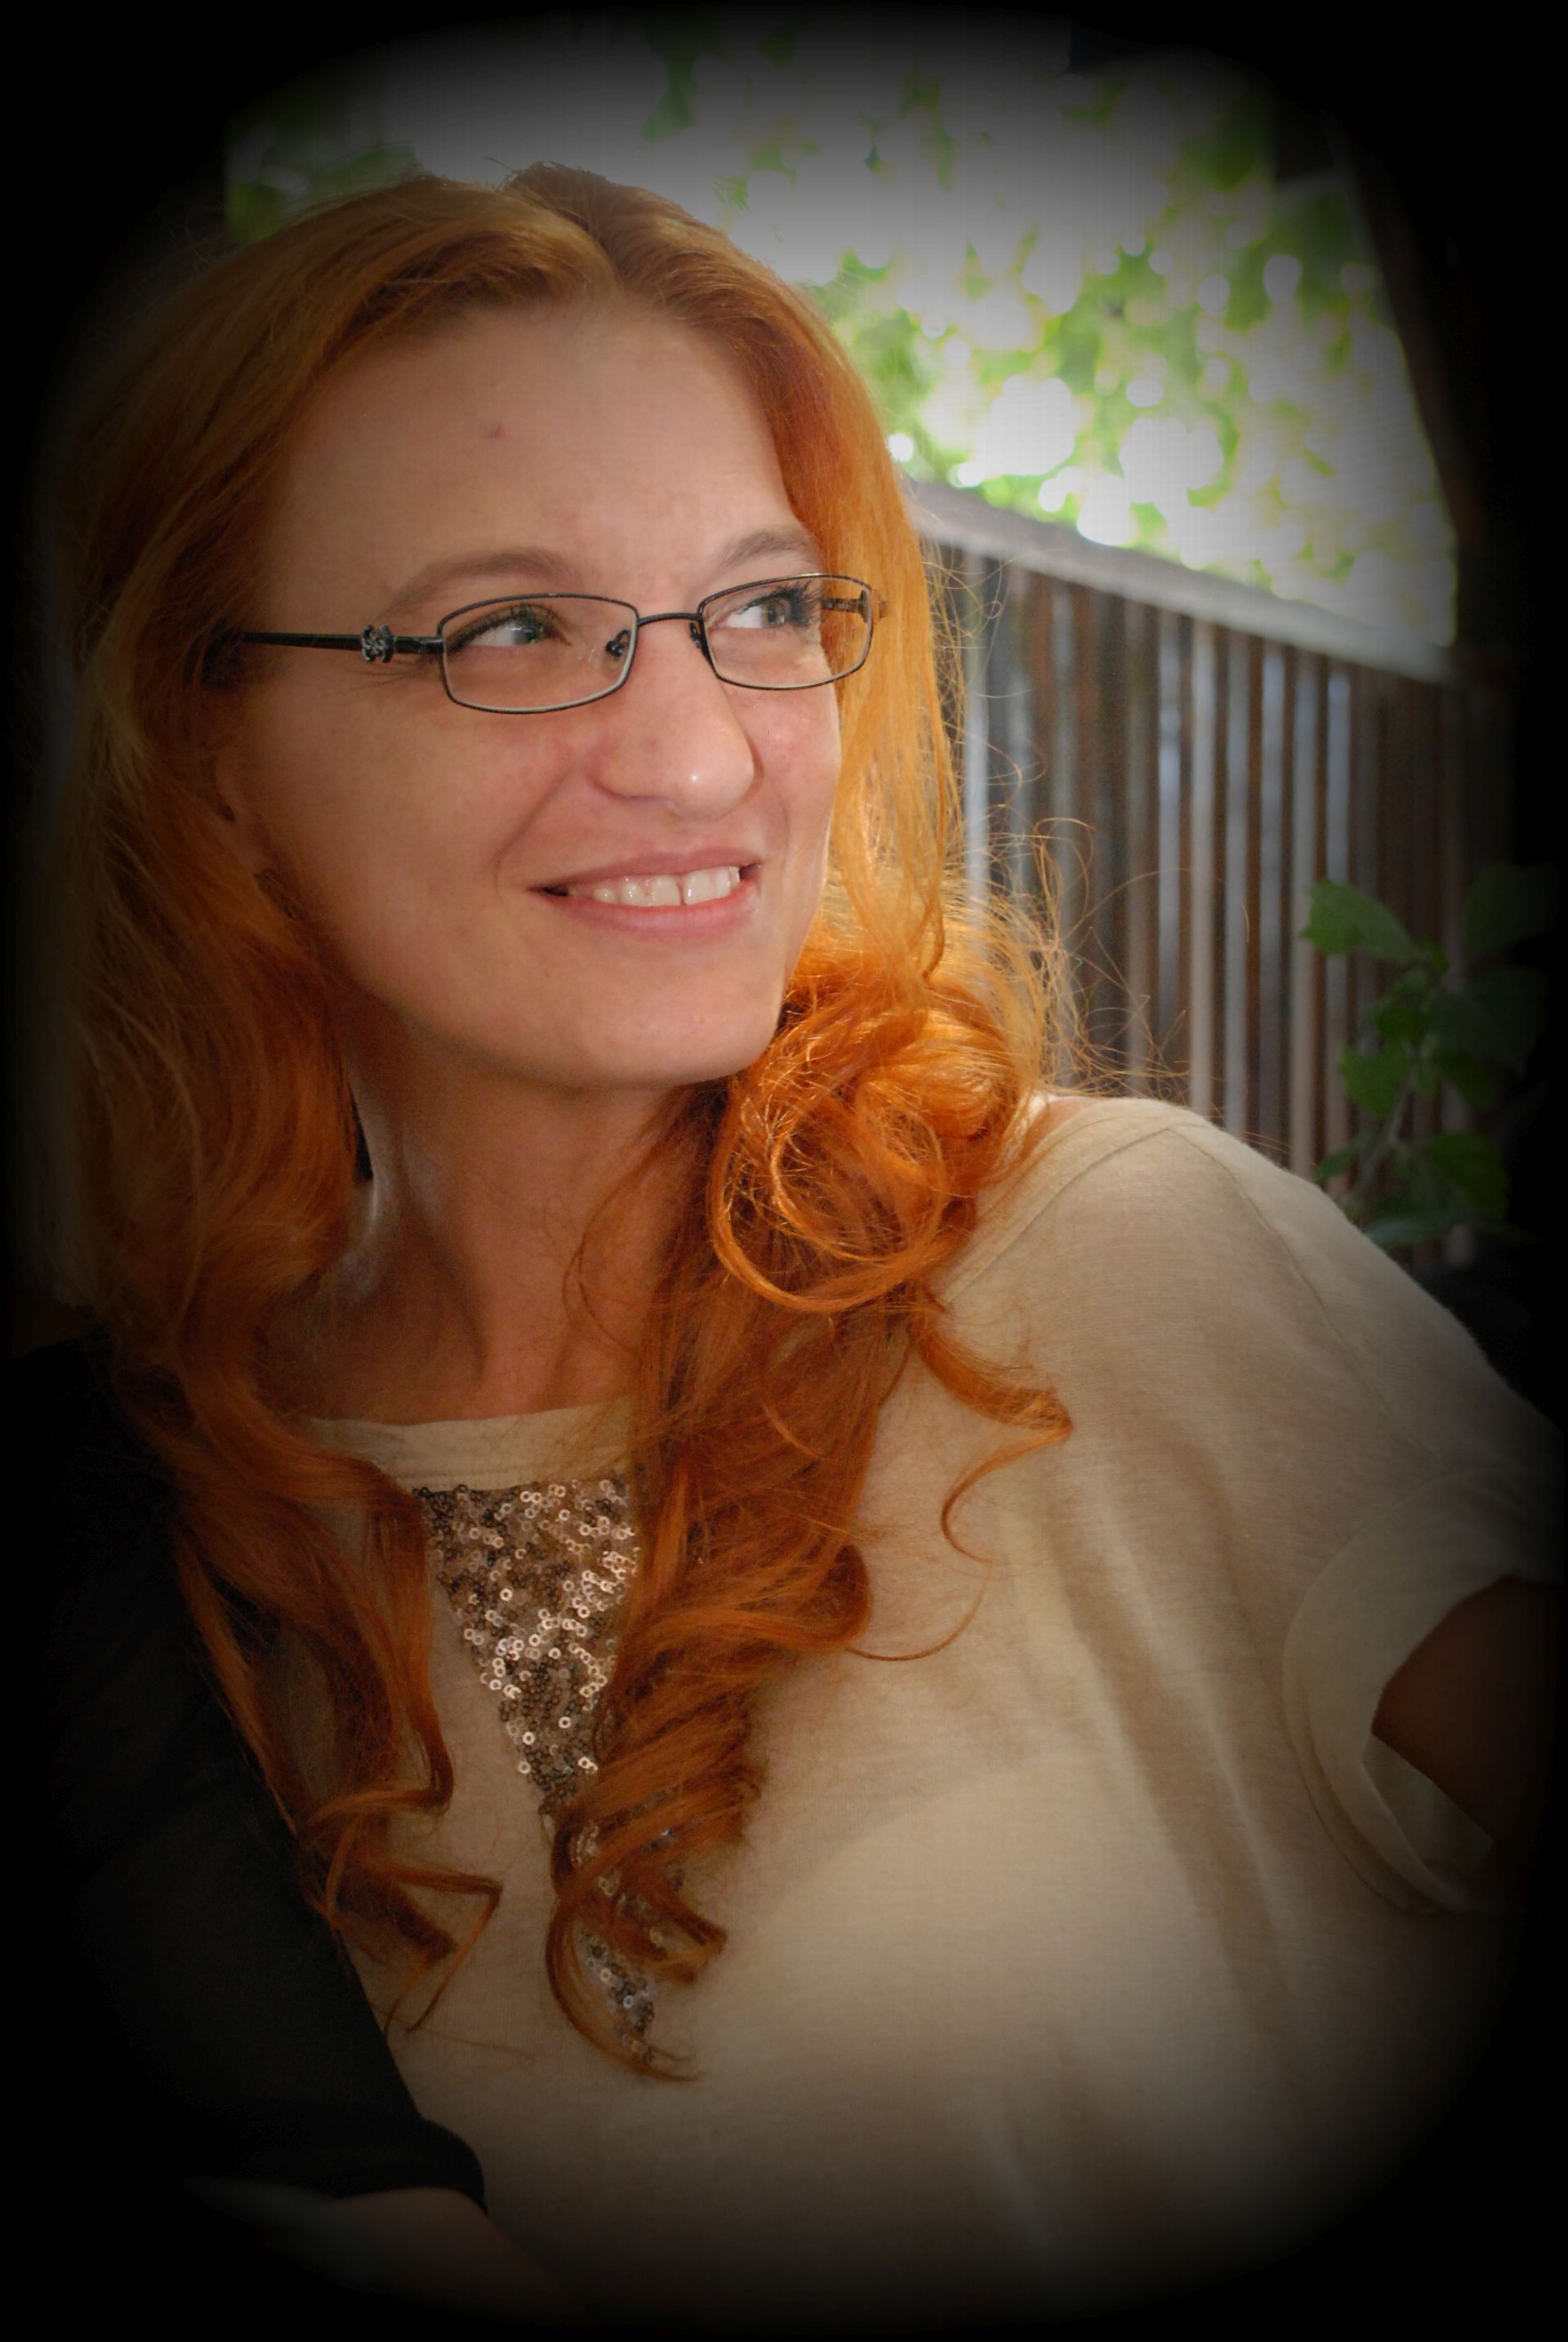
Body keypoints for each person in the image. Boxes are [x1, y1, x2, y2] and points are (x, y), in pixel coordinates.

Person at [19, 164, 1561, 2335]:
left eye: (760, 609)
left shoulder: (1116, 1261)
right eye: (508, 630)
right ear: (214, 759)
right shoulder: (164, 1522)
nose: (695, 755)